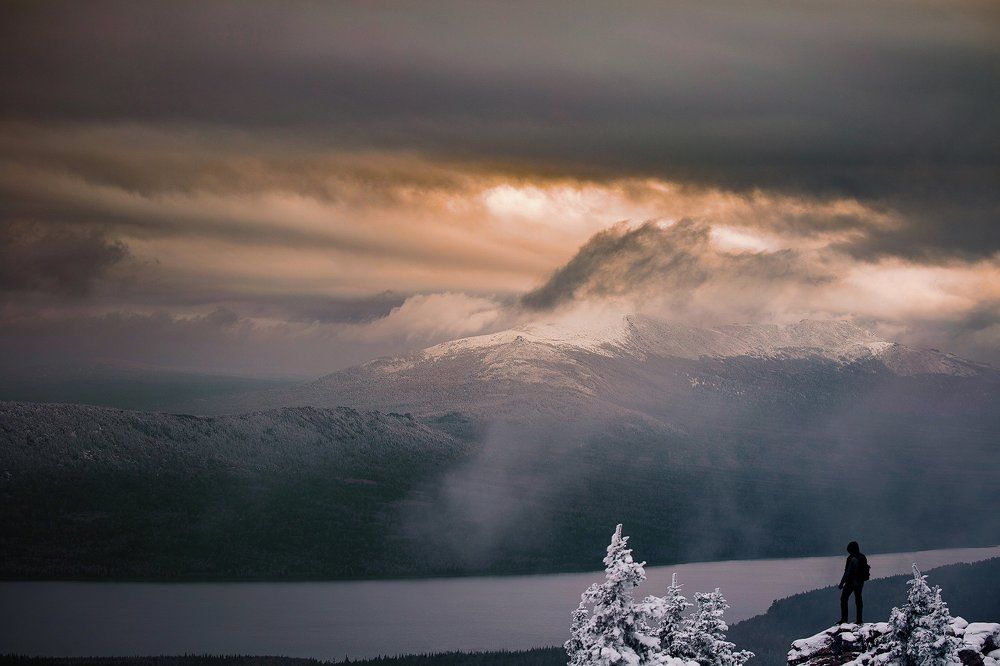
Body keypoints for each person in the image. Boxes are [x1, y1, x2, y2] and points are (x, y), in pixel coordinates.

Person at [838, 541, 868, 624]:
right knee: (858, 600)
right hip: (860, 582)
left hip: (850, 582)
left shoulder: (851, 558)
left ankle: (844, 619)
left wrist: (841, 583)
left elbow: (847, 572)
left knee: (844, 599)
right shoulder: (863, 557)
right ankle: (859, 620)